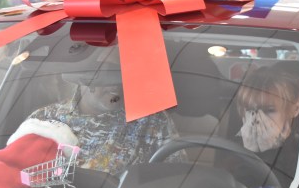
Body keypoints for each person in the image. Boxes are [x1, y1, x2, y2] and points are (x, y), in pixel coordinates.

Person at [16, 68, 179, 175]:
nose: (117, 84)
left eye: (123, 74)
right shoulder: (43, 120)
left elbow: (174, 181)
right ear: (82, 78)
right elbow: (14, 172)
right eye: (107, 74)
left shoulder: (151, 122)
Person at [233, 65, 299, 188]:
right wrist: (249, 153)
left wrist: (267, 153)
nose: (258, 118)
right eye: (251, 110)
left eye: (269, 110)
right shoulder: (232, 147)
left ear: (295, 108)